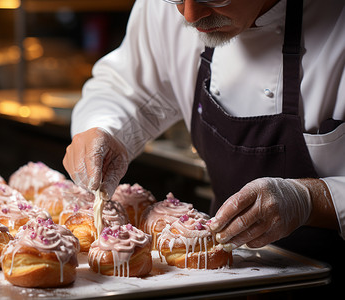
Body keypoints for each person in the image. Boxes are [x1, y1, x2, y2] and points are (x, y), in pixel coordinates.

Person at [63, 0, 344, 292]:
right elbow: (124, 87)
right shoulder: (164, 8)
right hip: (223, 281)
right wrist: (105, 129)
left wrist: (313, 200)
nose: (189, 15)